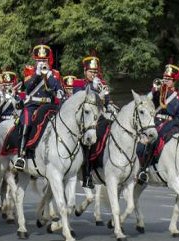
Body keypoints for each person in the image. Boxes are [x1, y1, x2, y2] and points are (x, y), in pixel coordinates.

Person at [14, 44, 64, 171]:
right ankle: (21, 155)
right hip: (33, 104)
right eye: (39, 60)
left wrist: (48, 75)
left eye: (44, 60)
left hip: (49, 105)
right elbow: (28, 88)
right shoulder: (29, 70)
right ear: (35, 60)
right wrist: (37, 75)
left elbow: (57, 89)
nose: (41, 62)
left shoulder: (55, 73)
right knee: (27, 121)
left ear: (49, 60)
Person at [137, 63, 179, 184]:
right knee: (153, 138)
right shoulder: (158, 91)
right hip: (157, 121)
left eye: (169, 79)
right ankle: (143, 169)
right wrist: (155, 89)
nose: (165, 80)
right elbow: (150, 101)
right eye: (165, 78)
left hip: (172, 123)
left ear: (174, 81)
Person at [72, 54, 111, 188]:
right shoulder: (78, 83)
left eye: (95, 72)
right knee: (90, 139)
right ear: (85, 71)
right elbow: (79, 99)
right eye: (90, 72)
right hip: (84, 118)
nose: (93, 74)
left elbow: (107, 102)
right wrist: (92, 88)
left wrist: (102, 92)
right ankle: (87, 174)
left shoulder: (102, 84)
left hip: (99, 116)